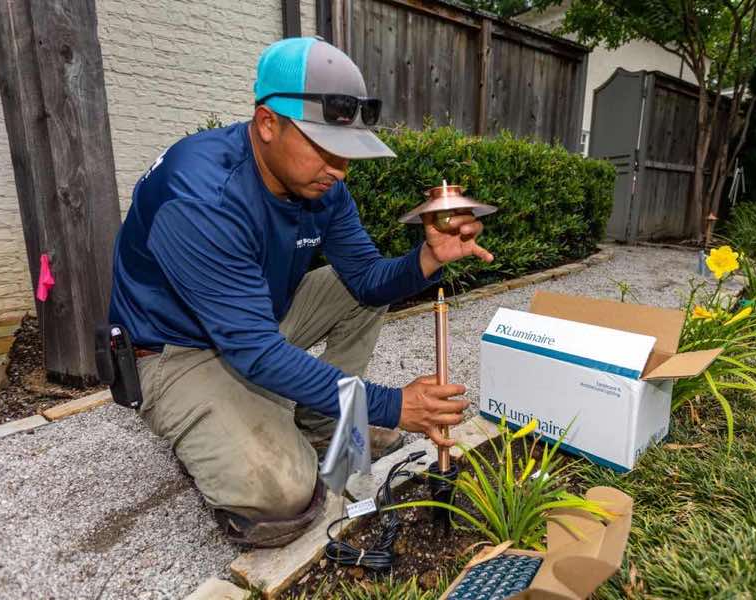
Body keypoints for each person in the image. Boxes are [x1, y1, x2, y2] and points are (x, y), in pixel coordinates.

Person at [107, 37, 493, 547]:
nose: (339, 169)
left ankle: (321, 421)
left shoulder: (322, 187)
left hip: (253, 319)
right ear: (268, 123)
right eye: (325, 148)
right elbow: (255, 352)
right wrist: (391, 405)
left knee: (350, 294)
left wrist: (429, 258)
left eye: (347, 153)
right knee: (284, 494)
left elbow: (367, 281)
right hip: (175, 350)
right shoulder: (200, 196)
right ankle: (217, 427)